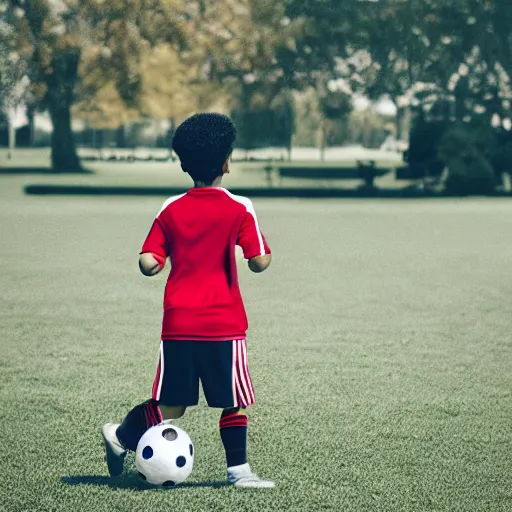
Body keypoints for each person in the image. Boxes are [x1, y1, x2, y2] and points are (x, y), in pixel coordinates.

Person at [101, 113, 274, 488]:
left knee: (173, 405)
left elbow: (150, 261)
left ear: (183, 164)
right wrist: (258, 253)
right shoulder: (240, 206)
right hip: (224, 324)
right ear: (226, 162)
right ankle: (239, 473)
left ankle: (120, 437)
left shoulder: (171, 208)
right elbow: (259, 261)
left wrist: (151, 263)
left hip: (178, 324)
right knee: (234, 400)